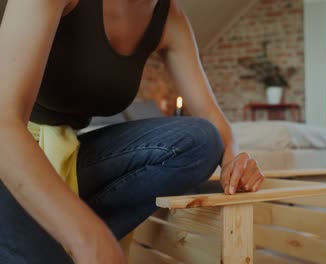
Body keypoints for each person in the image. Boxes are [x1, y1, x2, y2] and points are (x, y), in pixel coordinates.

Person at [0, 0, 265, 263]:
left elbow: (210, 115)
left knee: (202, 140)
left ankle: (52, 235)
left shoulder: (169, 18)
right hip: (11, 156)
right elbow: (4, 123)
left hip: (66, 152)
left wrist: (234, 160)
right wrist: (89, 236)